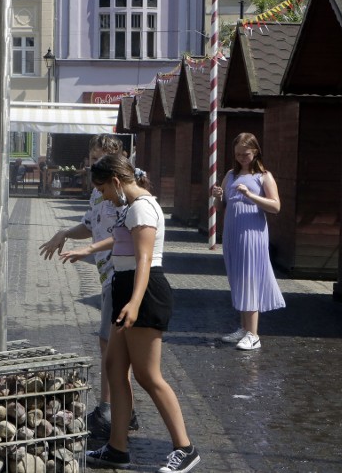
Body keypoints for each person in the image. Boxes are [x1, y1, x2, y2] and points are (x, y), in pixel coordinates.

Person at [61, 154, 200, 473]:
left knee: (148, 375)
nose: (104, 197)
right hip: (126, 286)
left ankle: (185, 448)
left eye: (104, 190)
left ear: (116, 181)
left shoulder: (142, 207)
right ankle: (117, 448)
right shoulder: (128, 208)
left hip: (145, 291)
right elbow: (120, 244)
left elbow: (145, 259)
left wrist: (135, 302)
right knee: (114, 366)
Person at [38, 134, 139, 439]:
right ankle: (117, 408)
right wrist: (64, 233)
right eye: (91, 158)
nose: (92, 164)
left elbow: (124, 233)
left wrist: (89, 250)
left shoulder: (123, 194)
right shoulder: (99, 192)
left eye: (98, 160)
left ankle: (114, 410)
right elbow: (90, 225)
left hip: (119, 271)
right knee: (109, 343)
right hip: (107, 274)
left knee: (115, 346)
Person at [212, 132, 285, 351]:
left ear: (255, 152)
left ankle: (254, 334)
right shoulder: (231, 175)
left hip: (253, 235)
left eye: (245, 154)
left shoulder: (263, 176)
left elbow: (276, 206)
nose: (242, 158)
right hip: (233, 235)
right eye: (238, 154)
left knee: (250, 278)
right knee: (238, 279)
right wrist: (216, 195)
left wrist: (251, 195)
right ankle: (244, 329)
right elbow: (219, 207)